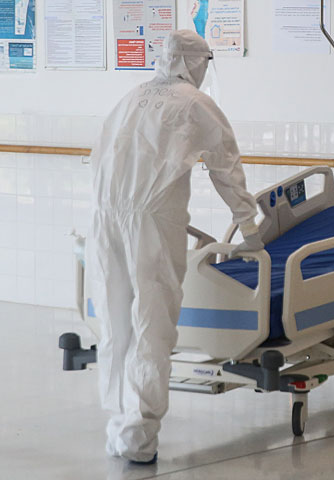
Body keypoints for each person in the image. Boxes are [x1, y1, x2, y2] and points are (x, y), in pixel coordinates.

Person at [86, 30, 263, 464]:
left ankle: (121, 425)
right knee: (152, 322)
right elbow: (226, 166)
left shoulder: (131, 97)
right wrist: (248, 225)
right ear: (194, 62)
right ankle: (139, 434)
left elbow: (101, 153)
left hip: (104, 216)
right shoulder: (195, 103)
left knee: (115, 322)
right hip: (150, 219)